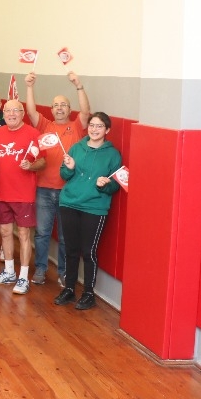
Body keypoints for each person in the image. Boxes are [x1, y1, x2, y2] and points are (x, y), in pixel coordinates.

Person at [25, 71, 91, 285]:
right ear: (51, 109)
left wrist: (78, 85)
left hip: (68, 191)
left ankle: (64, 272)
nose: (59, 108)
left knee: (65, 237)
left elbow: (86, 111)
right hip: (44, 189)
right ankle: (41, 269)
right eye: (56, 105)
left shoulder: (77, 127)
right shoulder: (45, 125)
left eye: (63, 105)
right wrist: (30, 86)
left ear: (69, 109)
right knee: (42, 233)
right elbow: (31, 111)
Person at [55, 112, 123, 311]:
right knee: (70, 249)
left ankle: (88, 293)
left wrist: (106, 184)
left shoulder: (113, 155)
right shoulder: (77, 148)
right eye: (92, 125)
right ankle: (69, 288)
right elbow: (64, 174)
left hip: (94, 208)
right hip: (69, 203)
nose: (94, 129)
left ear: (107, 130)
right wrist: (69, 168)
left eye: (99, 126)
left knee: (88, 251)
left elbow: (115, 186)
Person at [0, 100, 44, 295]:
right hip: (2, 191)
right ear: (3, 113)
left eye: (15, 110)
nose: (11, 114)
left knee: (23, 234)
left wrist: (32, 166)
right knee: (5, 232)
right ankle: (10, 272)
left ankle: (23, 277)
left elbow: (43, 161)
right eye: (8, 111)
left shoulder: (33, 133)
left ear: (22, 113)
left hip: (24, 194)